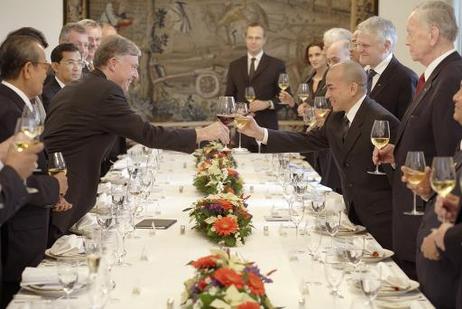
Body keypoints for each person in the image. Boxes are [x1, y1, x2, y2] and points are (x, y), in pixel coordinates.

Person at [43, 35, 229, 242]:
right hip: (67, 190)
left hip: (59, 184)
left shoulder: (83, 85)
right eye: (132, 67)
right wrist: (202, 133)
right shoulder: (105, 91)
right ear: (113, 63)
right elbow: (147, 134)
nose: (136, 75)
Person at [239, 61, 399, 249]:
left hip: (382, 221)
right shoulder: (336, 117)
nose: (327, 95)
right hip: (352, 215)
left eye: (331, 88)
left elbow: (397, 178)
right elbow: (308, 140)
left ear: (352, 88)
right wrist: (261, 133)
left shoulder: (381, 119)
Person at [374, 0, 462, 280]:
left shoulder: (451, 76)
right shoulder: (436, 75)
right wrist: (397, 152)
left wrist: (440, 222)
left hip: (429, 213)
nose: (407, 40)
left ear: (433, 34)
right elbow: (423, 137)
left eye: (411, 32)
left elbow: (449, 156)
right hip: (415, 209)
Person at [0, 35, 71, 307]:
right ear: (27, 69)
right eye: (45, 66)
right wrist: (56, 188)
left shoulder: (18, 104)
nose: (49, 72)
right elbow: (16, 178)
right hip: (16, 237)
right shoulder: (9, 111)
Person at [401, 81, 462, 308]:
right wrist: (429, 193)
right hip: (439, 276)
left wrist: (441, 239)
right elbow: (454, 204)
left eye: (461, 90)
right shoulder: (459, 146)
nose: (454, 97)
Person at [225, 22, 286, 152]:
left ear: (264, 40)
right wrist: (236, 110)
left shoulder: (277, 65)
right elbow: (229, 97)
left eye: (257, 38)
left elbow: (285, 98)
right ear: (245, 39)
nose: (253, 41)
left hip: (267, 132)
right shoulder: (234, 65)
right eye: (250, 37)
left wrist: (267, 103)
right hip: (242, 132)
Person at [279, 41, 328, 179]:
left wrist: (311, 110)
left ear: (326, 54)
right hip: (310, 136)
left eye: (317, 54)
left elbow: (331, 109)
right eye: (310, 55)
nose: (313, 59)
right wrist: (292, 104)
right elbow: (303, 114)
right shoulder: (308, 80)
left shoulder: (331, 79)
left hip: (325, 138)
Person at [356, 16, 418, 119]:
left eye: (365, 46)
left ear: (386, 46)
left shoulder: (405, 78)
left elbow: (405, 124)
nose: (359, 50)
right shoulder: (361, 73)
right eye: (358, 44)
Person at [42, 43, 83, 112]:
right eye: (70, 62)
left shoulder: (85, 90)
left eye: (79, 63)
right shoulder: (48, 95)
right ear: (55, 66)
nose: (76, 68)